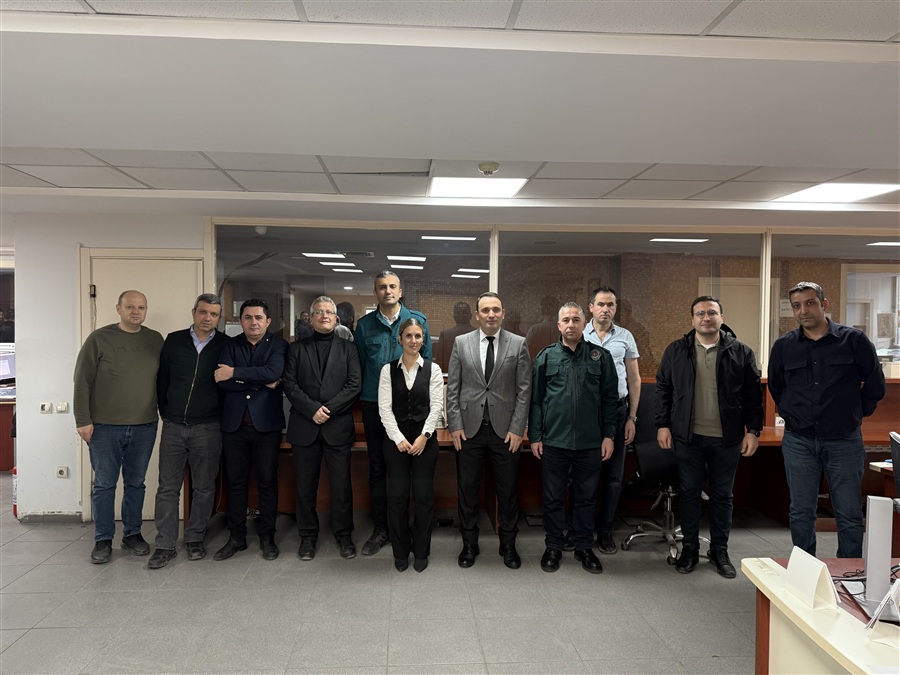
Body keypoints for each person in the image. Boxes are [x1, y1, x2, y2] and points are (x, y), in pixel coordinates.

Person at [768, 281, 885, 558]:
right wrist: (792, 414)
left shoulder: (853, 340)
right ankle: (804, 570)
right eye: (797, 306)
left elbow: (875, 384)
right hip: (799, 440)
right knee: (801, 511)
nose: (803, 311)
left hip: (843, 439)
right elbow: (777, 387)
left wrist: (855, 413)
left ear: (824, 304)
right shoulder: (784, 346)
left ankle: (849, 572)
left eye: (810, 303)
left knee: (849, 512)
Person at [656, 296, 763, 578]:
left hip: (727, 438)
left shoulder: (741, 352)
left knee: (723, 496)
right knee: (689, 493)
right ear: (692, 319)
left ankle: (719, 550)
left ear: (721, 317)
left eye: (712, 312)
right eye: (700, 313)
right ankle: (690, 548)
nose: (706, 317)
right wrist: (662, 425)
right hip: (687, 437)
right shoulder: (677, 350)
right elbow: (664, 389)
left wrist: (753, 431)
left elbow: (753, 395)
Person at [73, 290, 163, 564]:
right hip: (104, 427)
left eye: (141, 307)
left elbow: (164, 379)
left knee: (136, 483)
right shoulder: (99, 339)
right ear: (118, 308)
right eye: (130, 307)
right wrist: (82, 420)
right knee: (104, 485)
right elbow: (82, 380)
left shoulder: (155, 340)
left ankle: (132, 535)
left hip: (144, 425)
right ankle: (103, 539)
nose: (136, 311)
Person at [529, 302, 618, 574]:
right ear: (558, 325)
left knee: (586, 498)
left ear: (584, 323)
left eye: (576, 320)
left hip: (590, 442)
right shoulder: (546, 357)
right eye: (566, 320)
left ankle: (583, 546)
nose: (571, 324)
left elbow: (610, 400)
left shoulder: (600, 357)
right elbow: (536, 401)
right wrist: (535, 436)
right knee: (552, 497)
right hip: (554, 441)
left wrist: (609, 436)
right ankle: (553, 546)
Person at [447, 292, 531, 569]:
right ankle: (469, 544)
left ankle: (508, 545)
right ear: (477, 315)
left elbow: (524, 390)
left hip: (505, 432)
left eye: (496, 309)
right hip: (468, 431)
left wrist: (518, 428)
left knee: (507, 492)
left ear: (503, 313)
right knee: (467, 491)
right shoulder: (461, 343)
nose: (491, 314)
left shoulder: (518, 344)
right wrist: (455, 424)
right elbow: (453, 388)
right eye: (485, 310)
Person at [149, 293, 229, 569]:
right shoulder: (174, 340)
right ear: (193, 312)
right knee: (168, 488)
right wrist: (166, 412)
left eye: (214, 314)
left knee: (204, 487)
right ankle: (164, 545)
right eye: (203, 312)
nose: (208, 318)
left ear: (219, 317)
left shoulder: (225, 345)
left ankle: (195, 538)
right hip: (174, 426)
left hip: (208, 427)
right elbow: (163, 380)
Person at [354, 271, 431, 556]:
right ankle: (381, 529)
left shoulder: (417, 321)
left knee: (410, 469)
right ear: (375, 293)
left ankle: (408, 527)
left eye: (392, 286)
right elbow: (360, 365)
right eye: (382, 287)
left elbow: (427, 364)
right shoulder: (364, 326)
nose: (387, 291)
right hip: (374, 405)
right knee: (378, 468)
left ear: (400, 291)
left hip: (409, 408)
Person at [284, 296, 361, 561]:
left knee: (341, 486)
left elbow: (354, 385)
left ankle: (344, 535)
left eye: (329, 312)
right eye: (319, 312)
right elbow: (290, 384)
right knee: (305, 486)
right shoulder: (296, 349)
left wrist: (327, 410)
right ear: (311, 318)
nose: (324, 315)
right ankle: (307, 537)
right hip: (304, 426)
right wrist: (312, 410)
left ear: (336, 319)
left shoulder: (349, 349)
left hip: (337, 426)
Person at [213, 298, 288, 561]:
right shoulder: (229, 345)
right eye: (248, 317)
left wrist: (235, 373)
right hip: (234, 426)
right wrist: (260, 380)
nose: (253, 322)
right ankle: (237, 537)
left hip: (266, 426)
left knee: (267, 482)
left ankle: (267, 537)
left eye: (258, 317)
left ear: (268, 321)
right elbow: (222, 381)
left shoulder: (278, 345)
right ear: (240, 320)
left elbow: (273, 371)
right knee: (236, 483)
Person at [377, 317, 443, 573]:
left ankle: (422, 550)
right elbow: (384, 409)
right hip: (396, 442)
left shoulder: (433, 370)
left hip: (425, 440)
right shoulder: (387, 370)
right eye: (408, 336)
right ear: (400, 339)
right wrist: (399, 439)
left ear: (423, 340)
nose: (413, 340)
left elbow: (436, 407)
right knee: (397, 498)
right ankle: (401, 550)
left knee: (424, 498)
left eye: (418, 336)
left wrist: (424, 436)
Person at [583, 286, 641, 554]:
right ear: (591, 307)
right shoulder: (580, 334)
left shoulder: (625, 337)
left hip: (617, 412)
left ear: (616, 308)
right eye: (601, 304)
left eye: (610, 305)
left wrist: (632, 417)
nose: (606, 309)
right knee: (583, 475)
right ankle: (581, 530)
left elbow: (634, 379)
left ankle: (605, 531)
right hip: (586, 414)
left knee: (614, 477)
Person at [436, 301, 473, 371]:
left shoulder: (445, 334)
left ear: (454, 317)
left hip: (448, 374)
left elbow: (439, 361)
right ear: (471, 316)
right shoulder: (478, 334)